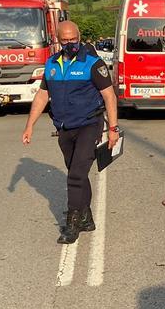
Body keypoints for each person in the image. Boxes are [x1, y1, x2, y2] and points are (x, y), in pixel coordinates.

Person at [21, 21, 119, 245]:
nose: (69, 44)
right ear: (57, 40)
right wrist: (30, 125)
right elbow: (42, 96)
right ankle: (86, 217)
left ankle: (72, 222)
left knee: (75, 175)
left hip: (88, 124)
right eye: (64, 40)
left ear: (79, 36)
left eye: (72, 39)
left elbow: (109, 96)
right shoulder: (52, 64)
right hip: (64, 127)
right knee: (77, 172)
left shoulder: (93, 63)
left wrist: (113, 128)